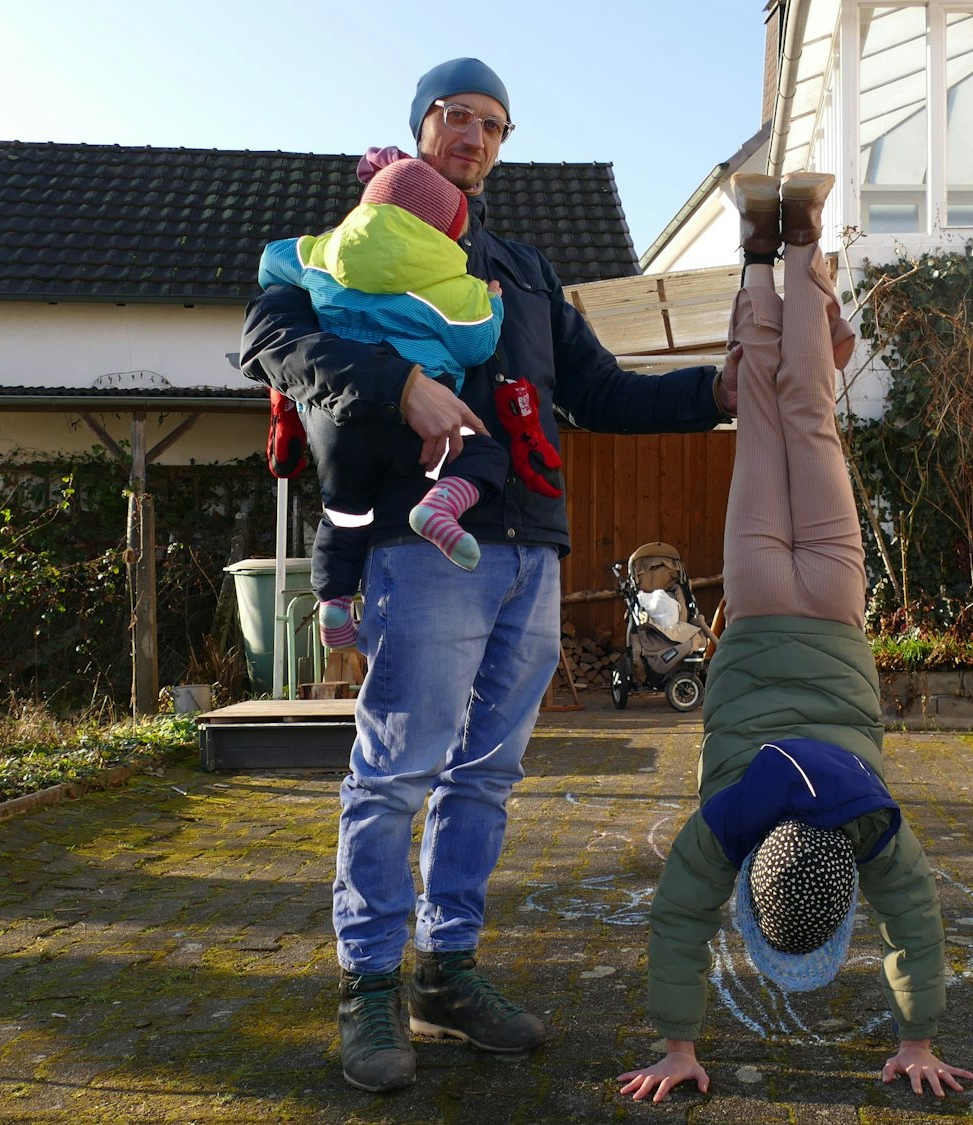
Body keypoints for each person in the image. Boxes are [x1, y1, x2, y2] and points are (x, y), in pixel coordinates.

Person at [240, 57, 737, 1093]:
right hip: (418, 550)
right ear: (421, 127)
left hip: (530, 553)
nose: (472, 136)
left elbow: (598, 392)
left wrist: (717, 388)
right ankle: (368, 984)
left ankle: (447, 972)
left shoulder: (523, 269)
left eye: (491, 125)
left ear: (502, 146)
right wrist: (403, 384)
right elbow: (271, 339)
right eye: (454, 117)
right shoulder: (352, 242)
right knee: (394, 775)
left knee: (486, 778)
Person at [615, 172, 973, 1102]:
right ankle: (755, 243)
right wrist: (677, 1043)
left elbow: (915, 923)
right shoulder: (725, 825)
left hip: (835, 604)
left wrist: (921, 1036)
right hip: (762, 597)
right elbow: (679, 920)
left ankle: (804, 238)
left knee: (807, 417)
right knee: (761, 422)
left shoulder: (868, 825)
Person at [257, 155, 522, 649]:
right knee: (485, 450)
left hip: (339, 418)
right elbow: (476, 345)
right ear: (446, 228)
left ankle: (333, 602)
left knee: (346, 513)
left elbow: (270, 262)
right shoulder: (450, 279)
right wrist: (494, 303)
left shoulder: (322, 251)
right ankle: (440, 507)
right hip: (421, 424)